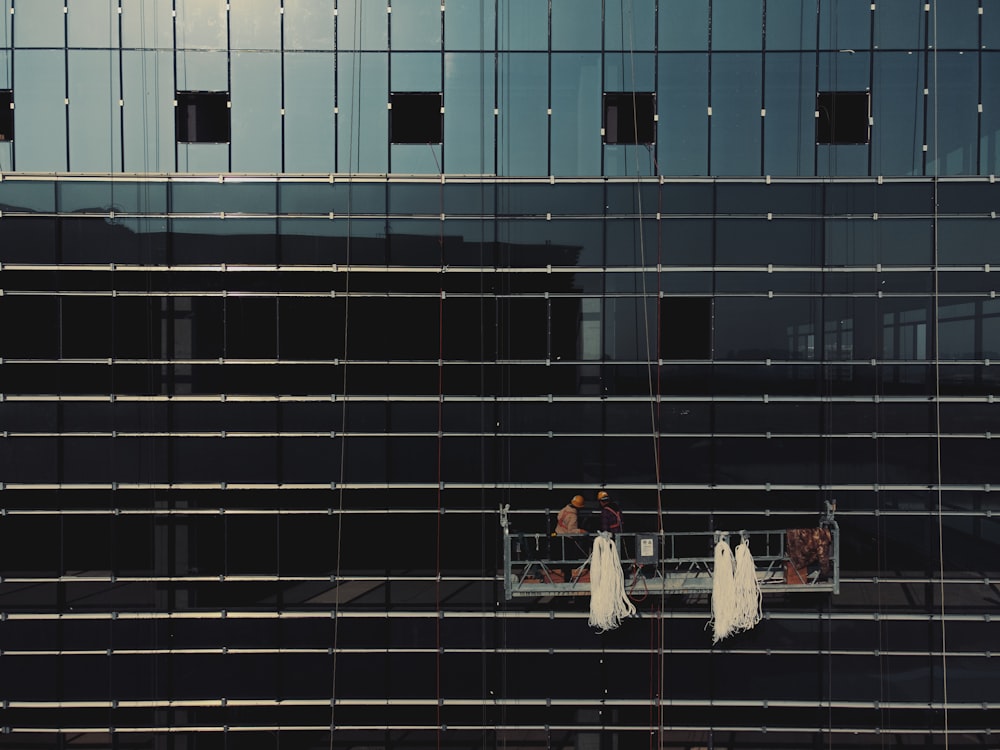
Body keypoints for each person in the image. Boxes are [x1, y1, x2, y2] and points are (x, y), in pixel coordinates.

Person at [553, 494, 587, 583]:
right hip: (566, 539)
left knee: (561, 558)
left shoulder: (564, 510)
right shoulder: (573, 516)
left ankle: (563, 574)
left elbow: (559, 518)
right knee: (568, 559)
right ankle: (568, 578)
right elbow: (571, 531)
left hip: (558, 536)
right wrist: (581, 531)